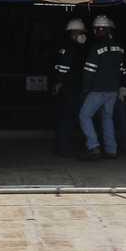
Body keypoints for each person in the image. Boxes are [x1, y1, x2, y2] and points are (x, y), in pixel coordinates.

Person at [79, 15, 126, 160]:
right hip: (113, 91)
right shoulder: (119, 48)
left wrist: (85, 89)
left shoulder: (96, 48)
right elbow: (125, 69)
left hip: (97, 90)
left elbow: (89, 71)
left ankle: (93, 147)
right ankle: (111, 150)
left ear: (97, 30)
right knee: (107, 118)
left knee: (84, 115)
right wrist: (123, 86)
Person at [52, 17, 88, 157]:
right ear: (73, 33)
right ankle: (63, 148)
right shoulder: (71, 48)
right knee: (68, 118)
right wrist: (59, 82)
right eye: (79, 32)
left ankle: (64, 147)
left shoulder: (72, 47)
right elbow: (63, 68)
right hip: (71, 89)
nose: (81, 35)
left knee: (69, 118)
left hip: (71, 88)